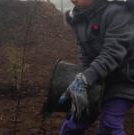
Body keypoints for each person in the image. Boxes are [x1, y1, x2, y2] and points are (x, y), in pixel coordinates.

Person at [58, 0, 134, 134]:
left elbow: (112, 53)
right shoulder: (79, 19)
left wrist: (85, 79)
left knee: (109, 124)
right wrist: (83, 80)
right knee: (74, 121)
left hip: (125, 80)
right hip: (98, 78)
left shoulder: (118, 12)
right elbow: (85, 55)